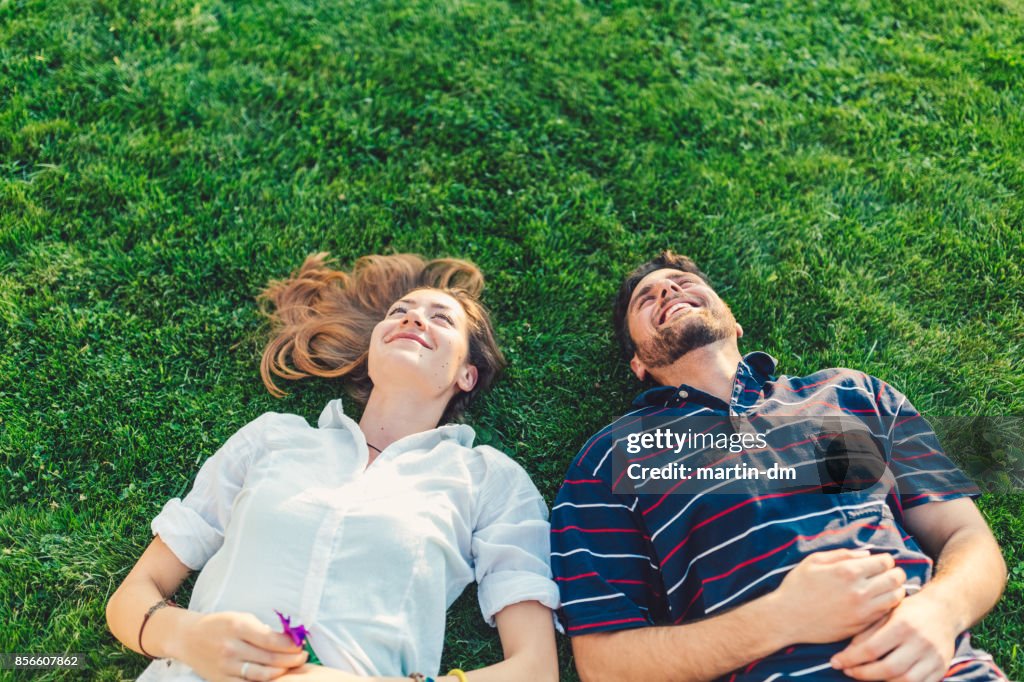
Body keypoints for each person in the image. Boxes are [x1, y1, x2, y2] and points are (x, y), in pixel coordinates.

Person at [550, 251, 1008, 682]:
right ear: (637, 363)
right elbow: (604, 663)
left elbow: (966, 536)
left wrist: (940, 612)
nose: (668, 292)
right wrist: (779, 619)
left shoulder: (854, 394)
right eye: (646, 300)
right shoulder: (610, 457)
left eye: (683, 283)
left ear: (733, 320)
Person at [107, 253, 560, 682]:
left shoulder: (487, 481)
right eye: (400, 311)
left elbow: (535, 668)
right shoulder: (273, 439)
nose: (413, 318)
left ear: (467, 374)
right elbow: (134, 594)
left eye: (441, 319)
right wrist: (188, 636)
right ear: (371, 351)